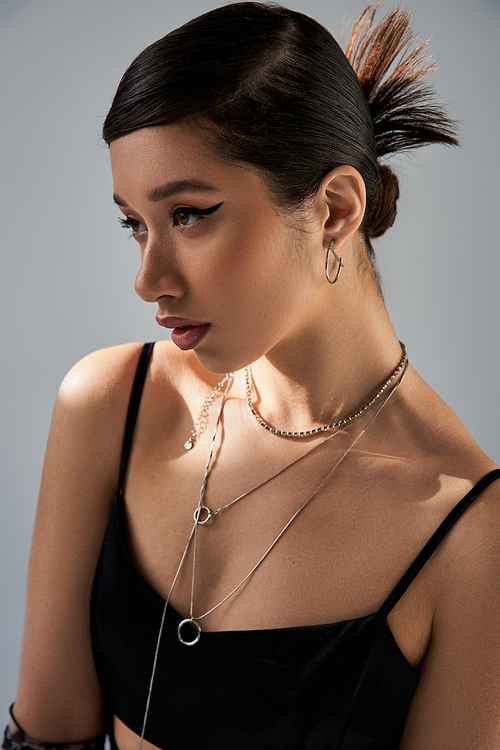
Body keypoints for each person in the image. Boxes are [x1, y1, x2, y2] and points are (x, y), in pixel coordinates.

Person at [3, 3, 500, 749]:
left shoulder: (469, 536)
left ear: (335, 209)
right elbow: (47, 735)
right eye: (134, 223)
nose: (147, 279)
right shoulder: (110, 405)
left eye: (190, 216)